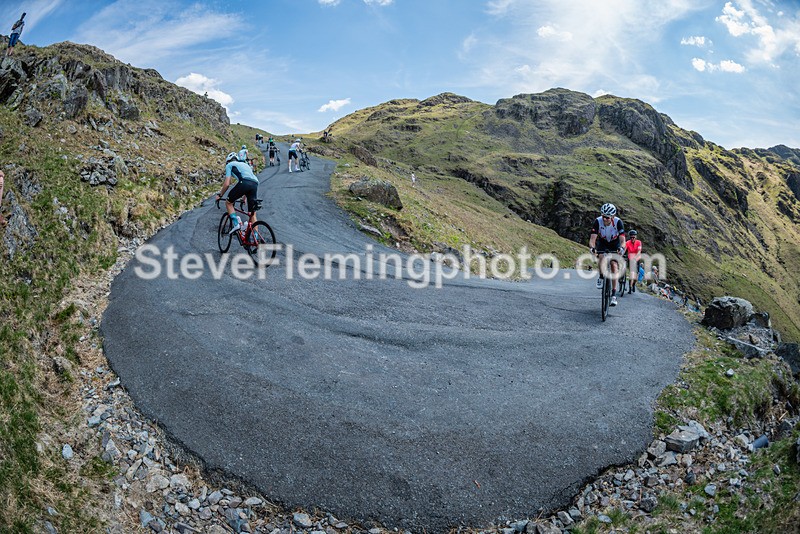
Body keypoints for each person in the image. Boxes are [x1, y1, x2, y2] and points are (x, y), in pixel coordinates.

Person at [589, 202, 626, 307]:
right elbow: (592, 239)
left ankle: (613, 295)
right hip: (603, 242)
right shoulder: (597, 221)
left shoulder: (618, 222)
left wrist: (622, 248)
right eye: (603, 216)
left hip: (615, 243)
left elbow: (623, 240)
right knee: (601, 256)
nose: (605, 219)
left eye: (607, 218)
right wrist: (592, 248)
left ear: (613, 217)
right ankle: (601, 277)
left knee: (614, 265)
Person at [216, 152, 259, 234]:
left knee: (229, 203)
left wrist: (220, 195)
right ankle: (256, 238)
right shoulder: (245, 165)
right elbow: (249, 182)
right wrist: (244, 198)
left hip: (245, 182)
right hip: (255, 183)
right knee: (252, 214)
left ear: (228, 161)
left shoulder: (229, 165)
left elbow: (227, 183)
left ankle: (236, 224)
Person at [625, 229, 642, 293]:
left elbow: (639, 251)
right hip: (630, 259)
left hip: (637, 259)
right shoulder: (627, 242)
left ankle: (634, 284)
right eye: (631, 237)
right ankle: (630, 287)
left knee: (636, 274)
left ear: (636, 237)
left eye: (633, 237)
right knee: (632, 273)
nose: (632, 238)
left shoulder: (639, 242)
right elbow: (624, 249)